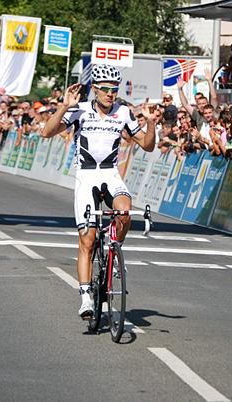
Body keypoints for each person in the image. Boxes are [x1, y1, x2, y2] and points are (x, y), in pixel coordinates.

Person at [41, 64, 155, 320]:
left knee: (125, 211)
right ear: (94, 89)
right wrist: (63, 106)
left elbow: (147, 146)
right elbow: (46, 132)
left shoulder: (124, 113)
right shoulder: (79, 110)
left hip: (110, 173)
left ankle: (115, 250)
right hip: (86, 176)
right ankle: (85, 298)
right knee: (88, 240)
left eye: (114, 90)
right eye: (105, 89)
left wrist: (151, 123)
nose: (110, 94)